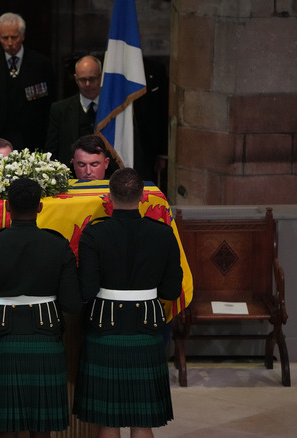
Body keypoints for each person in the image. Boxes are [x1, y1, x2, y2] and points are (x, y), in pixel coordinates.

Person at [73, 168, 183, 438]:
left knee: (108, 420)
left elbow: (86, 289)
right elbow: (170, 291)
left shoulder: (94, 234)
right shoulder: (163, 234)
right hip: (146, 324)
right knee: (141, 419)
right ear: (143, 196)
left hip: (104, 323)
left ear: (109, 197)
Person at [0, 177, 80, 438]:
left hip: (4, 336)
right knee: (41, 427)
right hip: (46, 336)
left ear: (7, 207)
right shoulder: (57, 245)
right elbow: (72, 304)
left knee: (6, 427)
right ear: (40, 207)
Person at [0, 12, 55, 151]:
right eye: (5, 38)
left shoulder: (41, 64)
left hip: (32, 139)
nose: (10, 42)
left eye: (14, 37)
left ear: (22, 36)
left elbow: (48, 106)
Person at [45, 55, 102, 167]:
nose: (87, 84)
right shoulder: (60, 110)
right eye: (82, 80)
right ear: (75, 79)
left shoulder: (115, 110)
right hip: (70, 176)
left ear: (101, 77)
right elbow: (51, 151)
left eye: (92, 79)